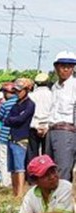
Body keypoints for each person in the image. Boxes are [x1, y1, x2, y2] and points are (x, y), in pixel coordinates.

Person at [4, 78, 36, 197]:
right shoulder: (16, 104)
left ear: (27, 90)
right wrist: (12, 120)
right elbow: (8, 119)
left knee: (20, 168)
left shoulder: (30, 104)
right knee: (12, 168)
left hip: (21, 138)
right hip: (11, 137)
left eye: (19, 90)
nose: (17, 93)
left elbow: (20, 119)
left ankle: (20, 194)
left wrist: (11, 120)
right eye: (16, 91)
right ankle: (14, 192)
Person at [47, 51, 76, 182]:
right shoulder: (54, 87)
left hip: (66, 131)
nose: (65, 69)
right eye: (62, 66)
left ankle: (61, 200)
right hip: (51, 130)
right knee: (49, 168)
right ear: (56, 67)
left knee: (62, 169)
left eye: (69, 66)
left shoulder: (74, 86)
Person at [0, 82, 18, 188]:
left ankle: (5, 183)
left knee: (3, 160)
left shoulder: (5, 104)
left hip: (5, 136)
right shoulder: (21, 102)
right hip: (18, 136)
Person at [29, 72, 53, 163]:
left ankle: (31, 174)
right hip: (47, 126)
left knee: (32, 153)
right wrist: (46, 126)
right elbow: (53, 112)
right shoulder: (52, 95)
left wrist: (36, 126)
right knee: (46, 153)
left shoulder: (31, 96)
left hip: (33, 125)